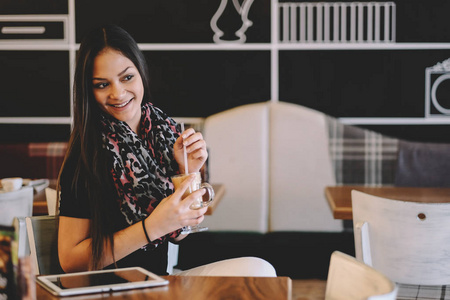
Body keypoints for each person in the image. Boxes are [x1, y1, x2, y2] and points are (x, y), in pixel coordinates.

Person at [57, 24, 276, 277]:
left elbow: (179, 235)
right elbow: (70, 261)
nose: (118, 93)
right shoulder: (86, 154)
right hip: (115, 290)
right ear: (88, 90)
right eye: (102, 84)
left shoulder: (161, 134)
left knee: (260, 270)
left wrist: (188, 171)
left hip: (159, 282)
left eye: (127, 77)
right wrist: (151, 227)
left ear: (141, 73)